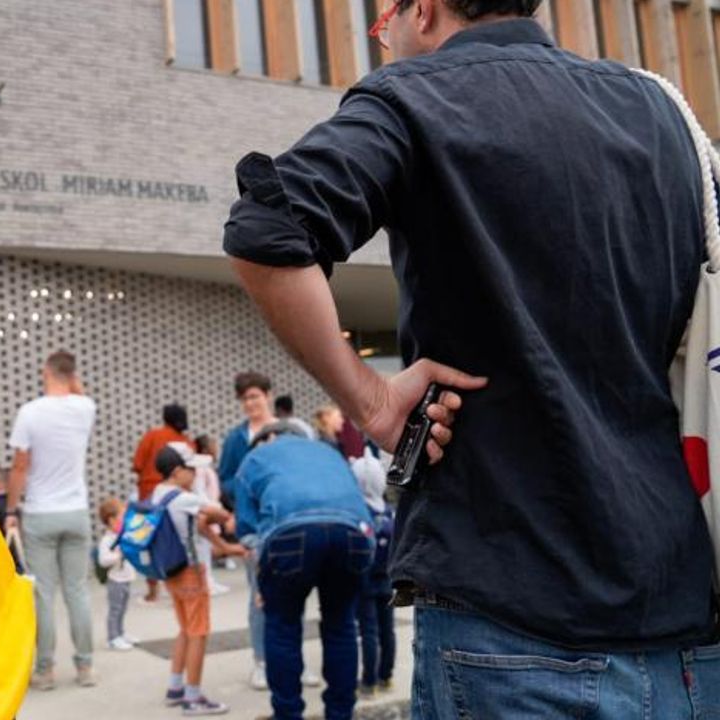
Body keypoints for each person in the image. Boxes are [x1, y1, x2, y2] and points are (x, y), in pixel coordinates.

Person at [224, 0, 716, 715]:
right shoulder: (660, 110)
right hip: (685, 613)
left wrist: (370, 398)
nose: (382, 37)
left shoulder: (413, 99)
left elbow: (268, 226)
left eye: (381, 18)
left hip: (508, 608)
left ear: (421, 9)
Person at [233, 424, 374, 720]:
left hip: (289, 535)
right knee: (341, 624)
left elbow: (246, 530)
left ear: (268, 438)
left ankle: (287, 713)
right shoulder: (330, 452)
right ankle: (340, 713)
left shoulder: (256, 457)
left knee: (283, 627)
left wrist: (262, 580)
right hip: (354, 535)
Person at [4, 351, 98, 690]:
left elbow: (19, 467)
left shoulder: (30, 413)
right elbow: (80, 392)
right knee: (77, 592)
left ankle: (45, 671)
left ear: (45, 372)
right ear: (73, 376)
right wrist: (73, 380)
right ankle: (85, 667)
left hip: (41, 513)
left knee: (44, 594)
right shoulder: (86, 408)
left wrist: (11, 510)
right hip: (76, 511)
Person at [152, 443, 247, 716]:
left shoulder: (157, 494)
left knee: (185, 629)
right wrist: (228, 518)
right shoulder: (183, 498)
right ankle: (192, 697)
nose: (195, 474)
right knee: (199, 633)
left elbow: (201, 525)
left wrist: (226, 548)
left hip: (171, 573)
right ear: (177, 471)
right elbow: (216, 514)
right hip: (191, 573)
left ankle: (175, 687)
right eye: (191, 469)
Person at [215, 372, 277, 689]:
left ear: (268, 395)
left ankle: (291, 659)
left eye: (256, 396)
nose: (251, 403)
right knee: (259, 595)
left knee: (294, 595)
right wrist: (243, 490)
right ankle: (261, 661)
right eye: (246, 399)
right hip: (254, 526)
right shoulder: (236, 439)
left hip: (285, 521)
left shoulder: (286, 431)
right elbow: (223, 477)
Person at [131, 404, 192, 602]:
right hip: (178, 500)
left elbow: (138, 465)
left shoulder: (152, 436)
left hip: (149, 496)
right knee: (179, 542)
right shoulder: (186, 442)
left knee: (148, 543)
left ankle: (153, 590)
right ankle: (179, 587)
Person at [352, 456, 395, 698]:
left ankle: (368, 681)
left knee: (369, 630)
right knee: (387, 630)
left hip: (364, 579)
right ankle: (386, 676)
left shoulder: (361, 512)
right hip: (387, 578)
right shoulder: (389, 511)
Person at [96, 498, 137, 651]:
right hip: (116, 580)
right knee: (115, 609)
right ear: (112, 520)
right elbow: (103, 560)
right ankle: (112, 638)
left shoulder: (124, 536)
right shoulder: (108, 540)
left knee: (123, 608)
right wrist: (118, 556)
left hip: (126, 578)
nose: (126, 521)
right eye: (123, 518)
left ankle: (121, 633)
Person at [191, 435, 228, 596]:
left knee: (206, 549)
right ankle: (204, 582)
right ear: (205, 449)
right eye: (213, 445)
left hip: (210, 510)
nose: (216, 448)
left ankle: (209, 580)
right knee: (202, 549)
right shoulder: (201, 467)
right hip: (206, 512)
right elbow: (199, 491)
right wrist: (214, 506)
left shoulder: (207, 466)